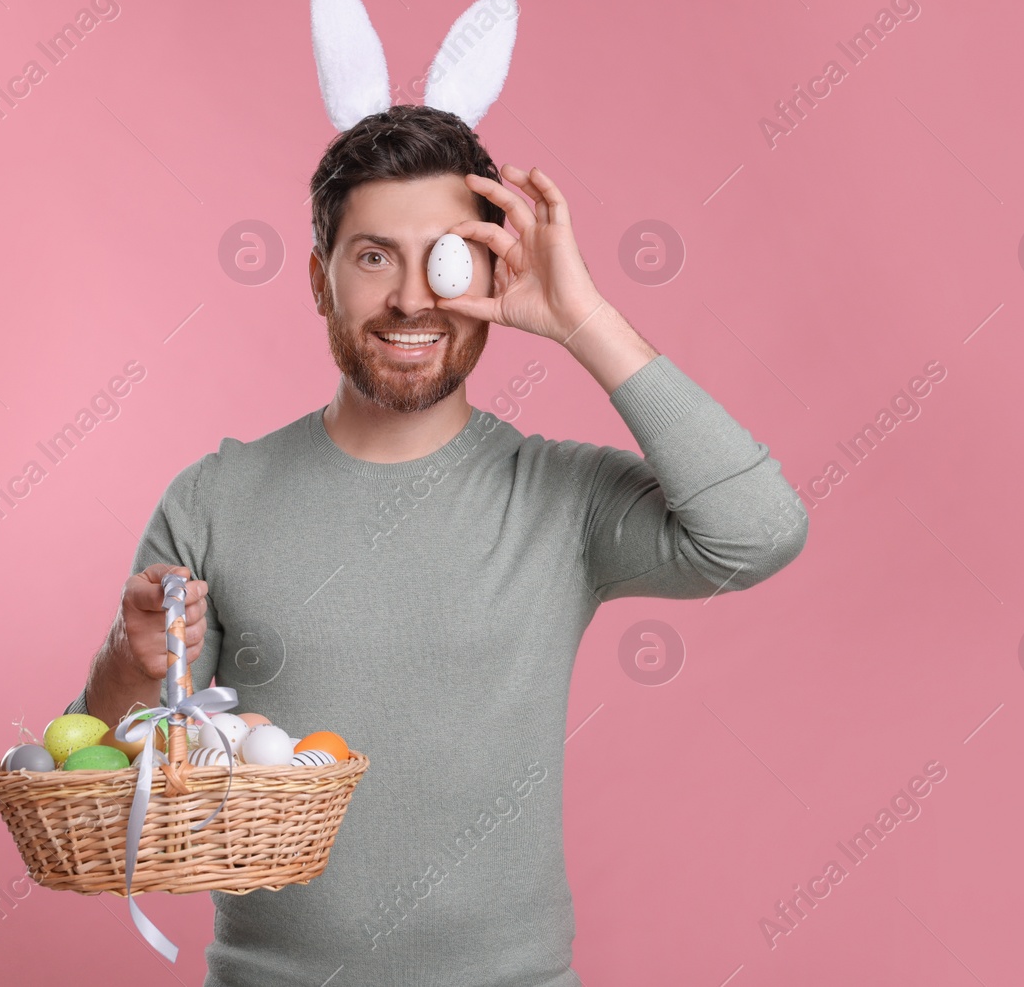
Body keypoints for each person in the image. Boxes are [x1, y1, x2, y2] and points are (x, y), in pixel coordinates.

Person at [67, 103, 809, 985]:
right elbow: (119, 808)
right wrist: (126, 661)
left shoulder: (557, 499)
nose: (413, 297)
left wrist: (581, 316)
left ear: (494, 275)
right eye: (375, 256)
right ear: (319, 280)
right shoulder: (215, 499)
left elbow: (758, 532)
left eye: (447, 260)